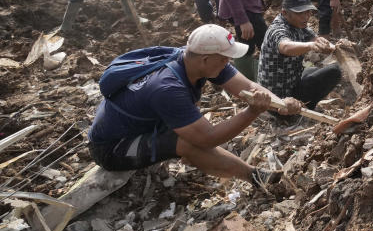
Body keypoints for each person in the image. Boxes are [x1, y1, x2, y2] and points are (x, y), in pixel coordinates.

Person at [87, 24, 296, 188]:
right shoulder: (167, 88)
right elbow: (208, 138)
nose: (228, 63)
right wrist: (252, 111)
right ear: (206, 59)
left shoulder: (194, 59)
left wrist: (279, 103)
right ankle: (255, 177)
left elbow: (249, 86)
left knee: (189, 130)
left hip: (146, 124)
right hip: (112, 147)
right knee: (188, 143)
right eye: (225, 59)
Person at [258, 0, 343, 115]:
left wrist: (336, 46)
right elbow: (285, 47)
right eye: (300, 13)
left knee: (314, 70)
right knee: (334, 71)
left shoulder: (300, 25)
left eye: (308, 12)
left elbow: (319, 41)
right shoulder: (277, 29)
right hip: (280, 102)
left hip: (291, 83)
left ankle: (304, 103)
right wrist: (311, 45)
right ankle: (303, 110)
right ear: (285, 13)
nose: (306, 16)